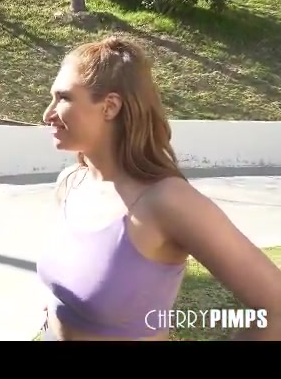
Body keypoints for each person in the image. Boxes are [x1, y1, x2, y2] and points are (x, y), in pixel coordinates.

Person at [36, 35, 281, 341]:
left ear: (109, 106)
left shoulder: (168, 202)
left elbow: (276, 308)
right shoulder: (71, 183)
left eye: (63, 98)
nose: (48, 114)